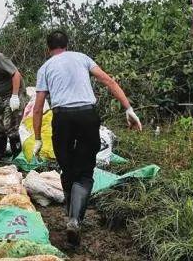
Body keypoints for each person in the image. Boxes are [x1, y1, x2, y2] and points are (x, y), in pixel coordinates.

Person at [31, 31, 142, 246]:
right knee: (85, 172)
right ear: (67, 45)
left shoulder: (45, 68)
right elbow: (108, 81)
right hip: (87, 116)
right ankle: (75, 219)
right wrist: (128, 109)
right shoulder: (82, 58)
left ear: (48, 48)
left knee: (67, 168)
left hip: (62, 118)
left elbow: (37, 108)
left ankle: (71, 215)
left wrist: (37, 138)